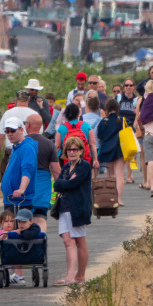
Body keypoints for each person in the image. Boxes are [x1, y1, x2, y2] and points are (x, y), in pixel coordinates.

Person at [53, 136, 93, 285]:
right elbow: (57, 185)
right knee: (67, 240)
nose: (72, 152)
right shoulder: (65, 167)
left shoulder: (84, 166)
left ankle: (79, 276)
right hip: (64, 207)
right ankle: (70, 276)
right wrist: (67, 182)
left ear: (81, 151)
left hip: (78, 208)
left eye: (75, 149)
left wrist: (66, 183)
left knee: (80, 241)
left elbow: (74, 184)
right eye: (69, 149)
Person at [0, 115, 38, 215]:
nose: (9, 134)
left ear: (21, 130)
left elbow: (27, 169)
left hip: (20, 201)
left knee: (19, 229)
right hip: (11, 199)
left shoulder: (27, 148)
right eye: (7, 131)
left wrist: (22, 189)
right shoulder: (16, 147)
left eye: (12, 130)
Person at [26, 112, 58, 233]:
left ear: (28, 125)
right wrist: (58, 188)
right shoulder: (49, 143)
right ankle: (41, 240)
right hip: (43, 183)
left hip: (26, 183)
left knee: (25, 217)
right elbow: (56, 169)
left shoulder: (22, 143)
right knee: (41, 217)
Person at [0, 90, 38, 175]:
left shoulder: (7, 113)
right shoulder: (34, 114)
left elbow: (1, 136)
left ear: (16, 100)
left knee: (7, 179)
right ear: (28, 100)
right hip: (29, 151)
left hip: (11, 150)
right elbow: (38, 136)